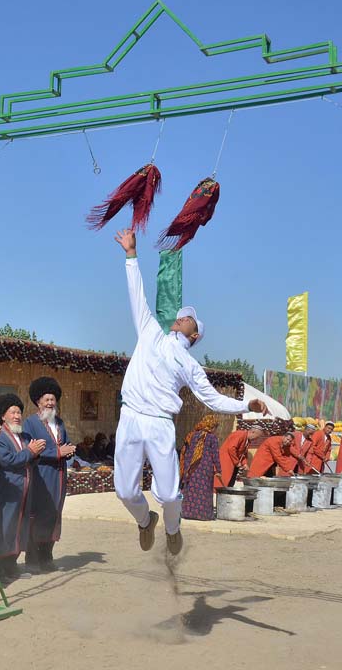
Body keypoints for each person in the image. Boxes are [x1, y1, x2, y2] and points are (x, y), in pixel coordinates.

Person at [111, 227, 265, 555]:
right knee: (124, 490)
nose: (182, 318)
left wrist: (245, 405)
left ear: (194, 336)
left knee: (167, 494)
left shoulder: (189, 364)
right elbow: (136, 295)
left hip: (160, 423)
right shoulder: (150, 331)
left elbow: (211, 398)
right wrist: (131, 255)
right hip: (130, 416)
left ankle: (172, 527)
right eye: (182, 316)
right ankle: (144, 521)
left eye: (188, 320)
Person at [0, 393, 45, 581]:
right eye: (13, 412)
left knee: (19, 528)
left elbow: (29, 460)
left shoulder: (24, 435)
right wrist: (30, 452)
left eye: (19, 412)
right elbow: (7, 460)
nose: (17, 416)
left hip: (24, 491)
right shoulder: (0, 437)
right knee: (3, 528)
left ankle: (11, 566)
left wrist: (35, 454)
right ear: (3, 416)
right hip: (6, 491)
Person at [23, 377, 77, 572]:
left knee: (55, 515)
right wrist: (56, 453)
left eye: (53, 399)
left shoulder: (60, 423)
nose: (50, 403)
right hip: (41, 477)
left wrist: (70, 450)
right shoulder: (30, 423)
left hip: (60, 477)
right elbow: (28, 449)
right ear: (38, 401)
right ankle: (34, 558)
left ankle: (47, 555)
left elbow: (66, 444)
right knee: (39, 516)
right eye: (47, 400)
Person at [179, 415, 221, 521]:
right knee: (203, 490)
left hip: (191, 468)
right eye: (215, 427)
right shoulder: (212, 438)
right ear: (212, 426)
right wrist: (219, 470)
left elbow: (186, 451)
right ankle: (203, 515)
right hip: (205, 468)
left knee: (190, 489)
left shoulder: (191, 435)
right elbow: (215, 454)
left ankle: (187, 513)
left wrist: (185, 468)